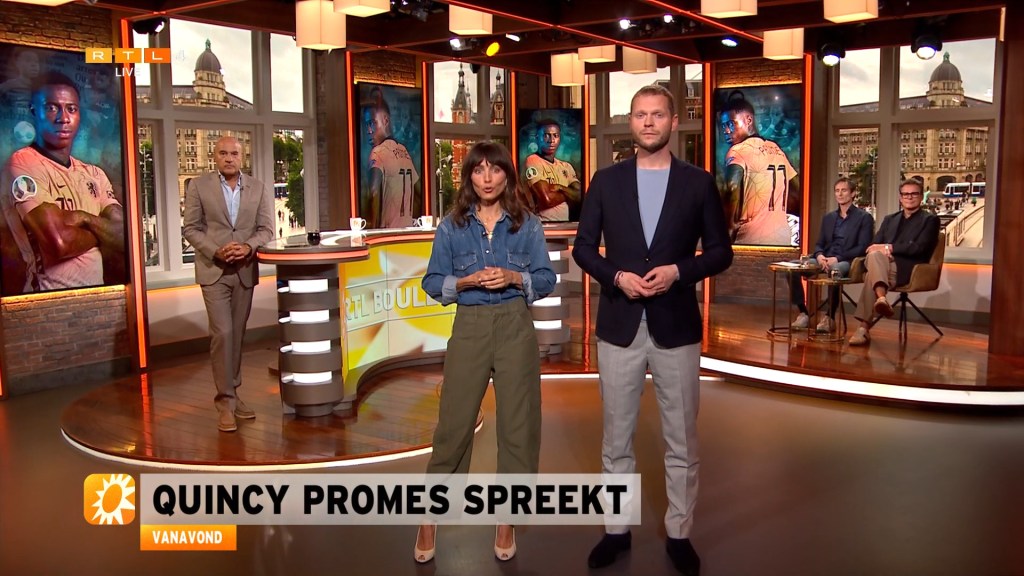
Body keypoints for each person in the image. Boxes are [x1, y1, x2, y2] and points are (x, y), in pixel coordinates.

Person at [572, 84, 733, 576]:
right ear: (631, 121)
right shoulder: (605, 181)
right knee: (615, 438)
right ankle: (616, 530)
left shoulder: (698, 183)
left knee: (681, 439)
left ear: (673, 122)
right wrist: (617, 276)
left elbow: (720, 252)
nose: (648, 122)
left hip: (676, 326)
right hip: (619, 323)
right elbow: (583, 248)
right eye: (640, 114)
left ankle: (679, 533)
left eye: (657, 114)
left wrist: (679, 271)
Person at [415, 141, 555, 564]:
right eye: (479, 170)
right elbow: (432, 281)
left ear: (507, 176)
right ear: (469, 177)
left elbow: (545, 278)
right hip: (470, 325)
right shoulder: (451, 227)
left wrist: (515, 277)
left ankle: (506, 518)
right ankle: (430, 516)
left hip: (515, 324)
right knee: (453, 424)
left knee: (518, 425)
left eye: (496, 169)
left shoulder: (527, 224)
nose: (488, 178)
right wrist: (464, 282)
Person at [0, 71, 123, 296]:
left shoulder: (93, 173)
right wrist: (102, 231)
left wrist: (84, 218)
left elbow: (123, 236)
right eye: (51, 108)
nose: (63, 118)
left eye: (71, 109)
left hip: (97, 297)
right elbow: (59, 244)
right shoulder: (23, 163)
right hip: (48, 300)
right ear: (34, 111)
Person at [182, 136, 274, 432]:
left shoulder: (258, 188)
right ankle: (224, 403)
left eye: (234, 153)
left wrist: (247, 246)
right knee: (222, 333)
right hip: (214, 270)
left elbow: (266, 229)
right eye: (223, 153)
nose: (229, 158)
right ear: (215, 156)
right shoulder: (199, 186)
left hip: (244, 269)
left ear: (242, 156)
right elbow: (190, 228)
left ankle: (233, 394)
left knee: (236, 335)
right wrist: (215, 250)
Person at [849, 179, 939, 346]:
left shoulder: (930, 220)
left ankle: (864, 327)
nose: (909, 197)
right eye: (905, 194)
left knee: (871, 274)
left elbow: (920, 248)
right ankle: (881, 301)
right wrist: (882, 253)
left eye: (914, 194)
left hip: (909, 268)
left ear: (921, 197)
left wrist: (888, 248)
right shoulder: (890, 219)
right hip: (884, 265)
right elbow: (874, 245)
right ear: (900, 197)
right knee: (875, 256)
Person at [790, 177, 874, 332]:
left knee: (835, 269)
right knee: (791, 269)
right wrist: (819, 255)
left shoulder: (864, 218)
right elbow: (819, 243)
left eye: (844, 190)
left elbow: (863, 247)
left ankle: (830, 317)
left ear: (853, 193)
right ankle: (803, 313)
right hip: (824, 259)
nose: (840, 194)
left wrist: (837, 258)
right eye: (837, 191)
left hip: (848, 261)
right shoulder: (829, 218)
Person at [719, 91, 801, 246]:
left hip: (751, 237)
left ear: (748, 120)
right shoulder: (776, 149)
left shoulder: (738, 151)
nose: (726, 131)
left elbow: (731, 187)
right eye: (723, 126)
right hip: (782, 236)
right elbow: (797, 190)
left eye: (731, 124)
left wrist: (728, 227)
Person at [366, 87, 419, 229]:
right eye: (367, 125)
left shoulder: (378, 153)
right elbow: (417, 194)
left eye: (372, 123)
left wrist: (371, 229)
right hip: (407, 231)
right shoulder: (404, 151)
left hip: (386, 233)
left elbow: (373, 193)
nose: (369, 130)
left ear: (385, 121)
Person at [522, 118, 581, 221]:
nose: (551, 140)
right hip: (543, 225)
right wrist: (569, 193)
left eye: (555, 135)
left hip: (565, 226)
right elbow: (547, 200)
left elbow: (580, 195)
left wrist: (561, 188)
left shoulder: (566, 166)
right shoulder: (533, 161)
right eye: (546, 135)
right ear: (537, 137)